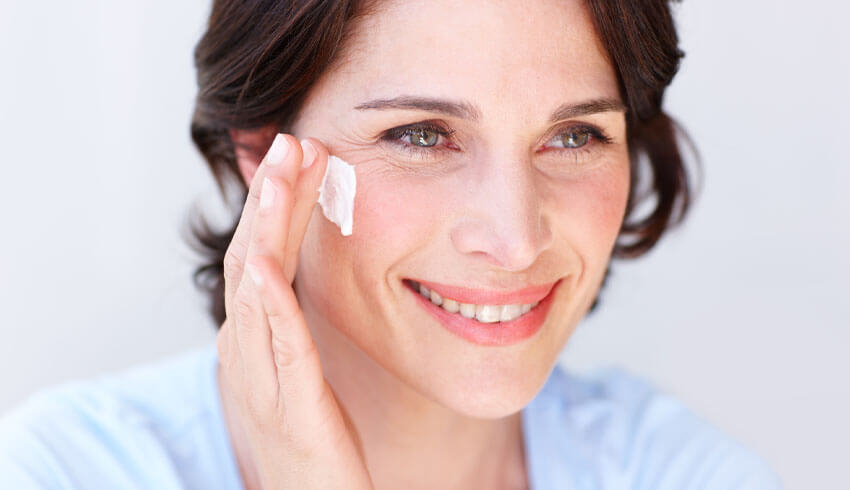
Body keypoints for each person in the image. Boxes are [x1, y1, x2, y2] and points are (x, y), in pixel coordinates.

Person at [0, 0, 785, 488]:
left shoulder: (680, 473)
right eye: (422, 135)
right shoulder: (68, 470)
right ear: (264, 151)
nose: (515, 240)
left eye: (575, 135)